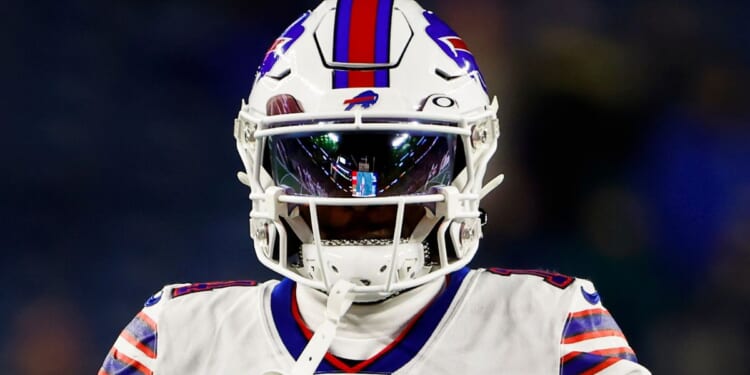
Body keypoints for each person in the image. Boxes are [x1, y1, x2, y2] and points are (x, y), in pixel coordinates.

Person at [100, 0, 651, 373]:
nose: (366, 194)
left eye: (403, 159)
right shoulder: (173, 342)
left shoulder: (550, 328)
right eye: (324, 158)